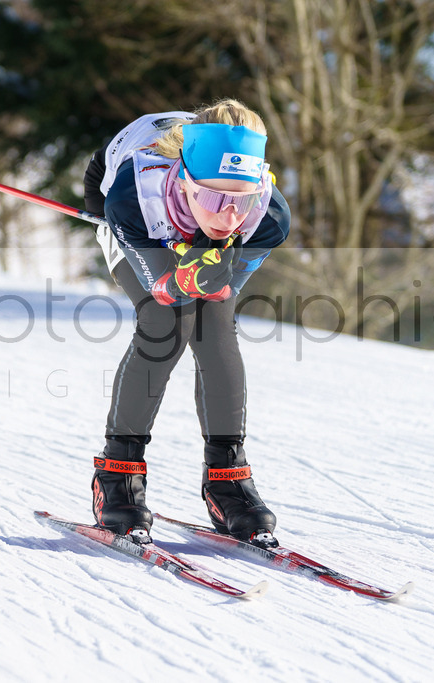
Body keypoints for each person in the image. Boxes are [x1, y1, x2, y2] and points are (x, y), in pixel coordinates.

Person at [82, 99, 290, 546]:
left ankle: (226, 479)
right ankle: (116, 474)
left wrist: (214, 264)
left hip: (183, 228)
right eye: (215, 196)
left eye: (242, 198)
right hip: (133, 216)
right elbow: (162, 286)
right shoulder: (135, 196)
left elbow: (221, 286)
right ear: (186, 179)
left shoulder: (268, 217)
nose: (229, 214)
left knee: (215, 331)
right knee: (166, 326)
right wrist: (179, 273)